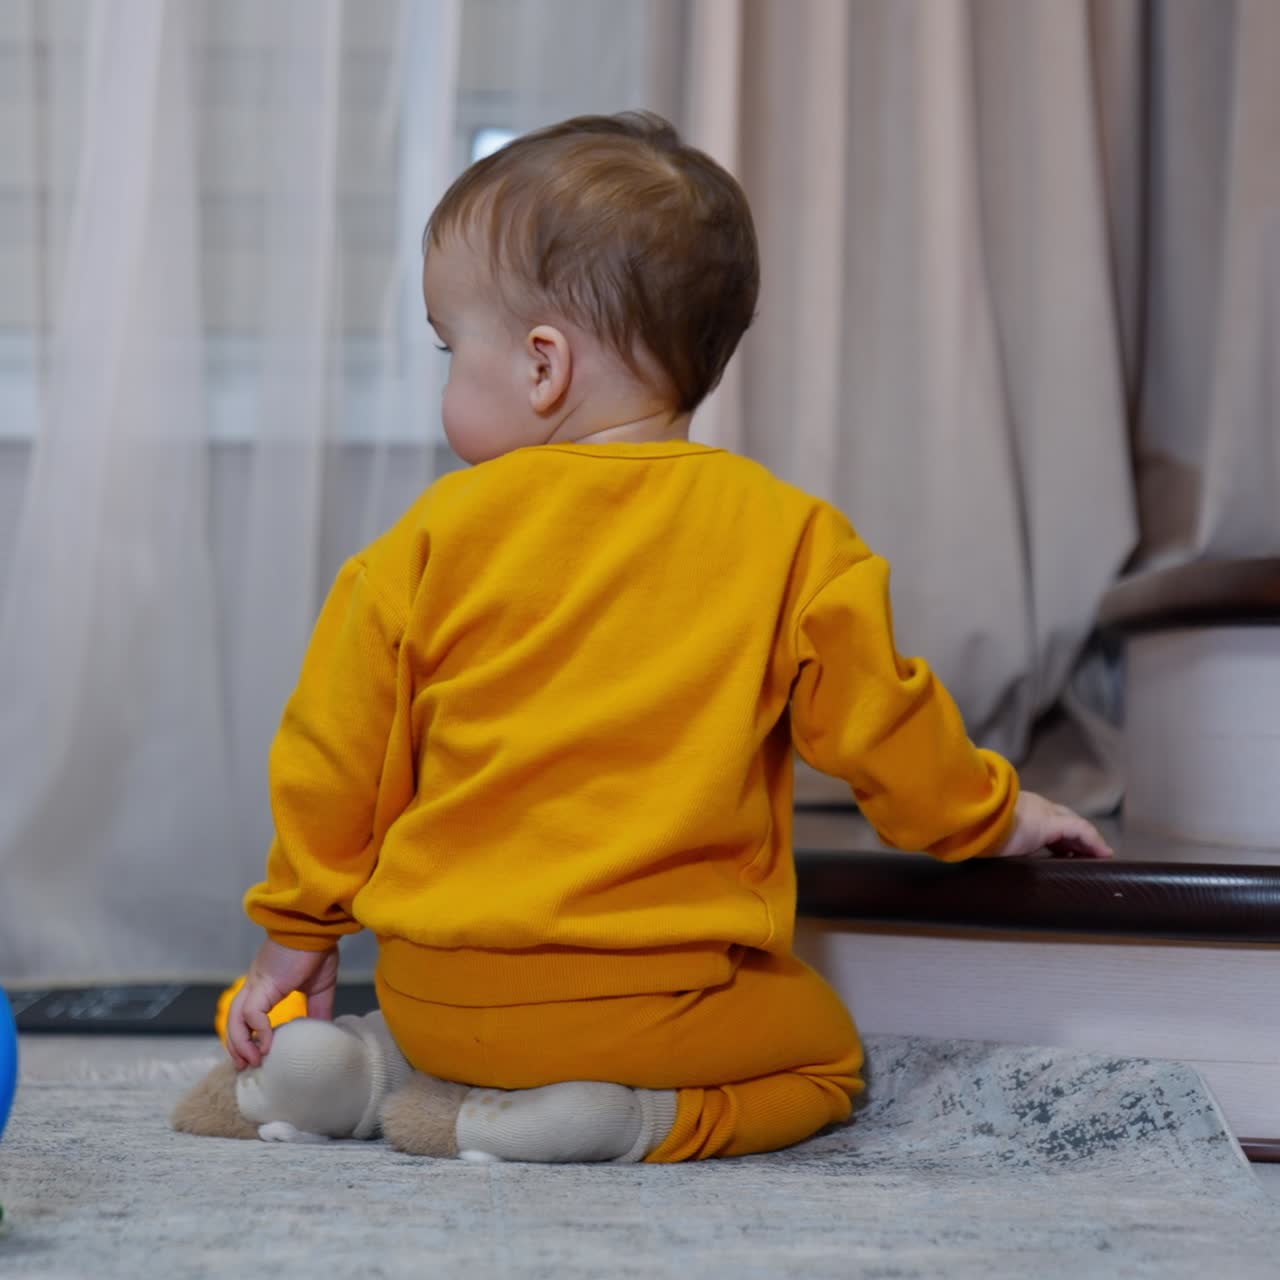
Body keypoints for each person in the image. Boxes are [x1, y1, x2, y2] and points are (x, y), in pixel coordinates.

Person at [222, 111, 1112, 1165]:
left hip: (439, 987)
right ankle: (631, 1116)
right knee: (827, 1061)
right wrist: (998, 814)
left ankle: (368, 1071)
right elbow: (887, 733)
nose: (446, 374)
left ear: (543, 366)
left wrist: (296, 939)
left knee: (448, 1028)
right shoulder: (792, 538)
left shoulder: (421, 542)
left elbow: (334, 755)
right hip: (651, 1006)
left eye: (449, 348)